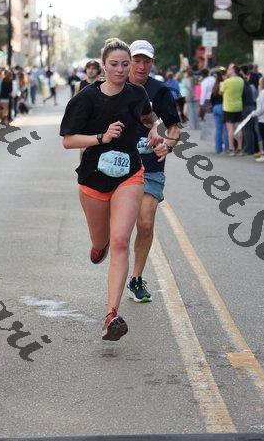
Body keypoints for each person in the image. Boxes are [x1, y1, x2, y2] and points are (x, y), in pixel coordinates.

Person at [60, 38, 163, 341]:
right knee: (102, 241)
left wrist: (155, 130)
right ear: (103, 65)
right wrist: (101, 138)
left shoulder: (137, 93)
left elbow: (149, 117)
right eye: (114, 64)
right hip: (93, 179)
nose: (120, 69)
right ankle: (98, 245)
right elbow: (68, 140)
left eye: (125, 64)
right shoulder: (86, 98)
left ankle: (111, 315)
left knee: (120, 242)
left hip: (129, 175)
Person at [127, 40, 181, 302]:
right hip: (117, 166)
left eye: (146, 61)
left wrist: (167, 146)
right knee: (116, 231)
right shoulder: (115, 86)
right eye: (137, 60)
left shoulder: (160, 91)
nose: (141, 66)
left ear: (152, 63)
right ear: (128, 61)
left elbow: (174, 127)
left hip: (150, 165)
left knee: (145, 223)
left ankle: (136, 278)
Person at [220, 63, 244, 156]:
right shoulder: (241, 80)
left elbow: (221, 92)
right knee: (239, 128)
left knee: (230, 130)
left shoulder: (226, 82)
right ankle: (240, 148)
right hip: (239, 106)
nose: (227, 70)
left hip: (228, 107)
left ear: (233, 70)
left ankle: (231, 149)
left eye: (229, 69)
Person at [211, 70, 229, 154]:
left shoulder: (215, 86)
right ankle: (227, 148)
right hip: (223, 107)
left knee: (218, 129)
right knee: (226, 129)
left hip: (215, 107)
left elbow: (211, 98)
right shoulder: (224, 85)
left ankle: (218, 149)